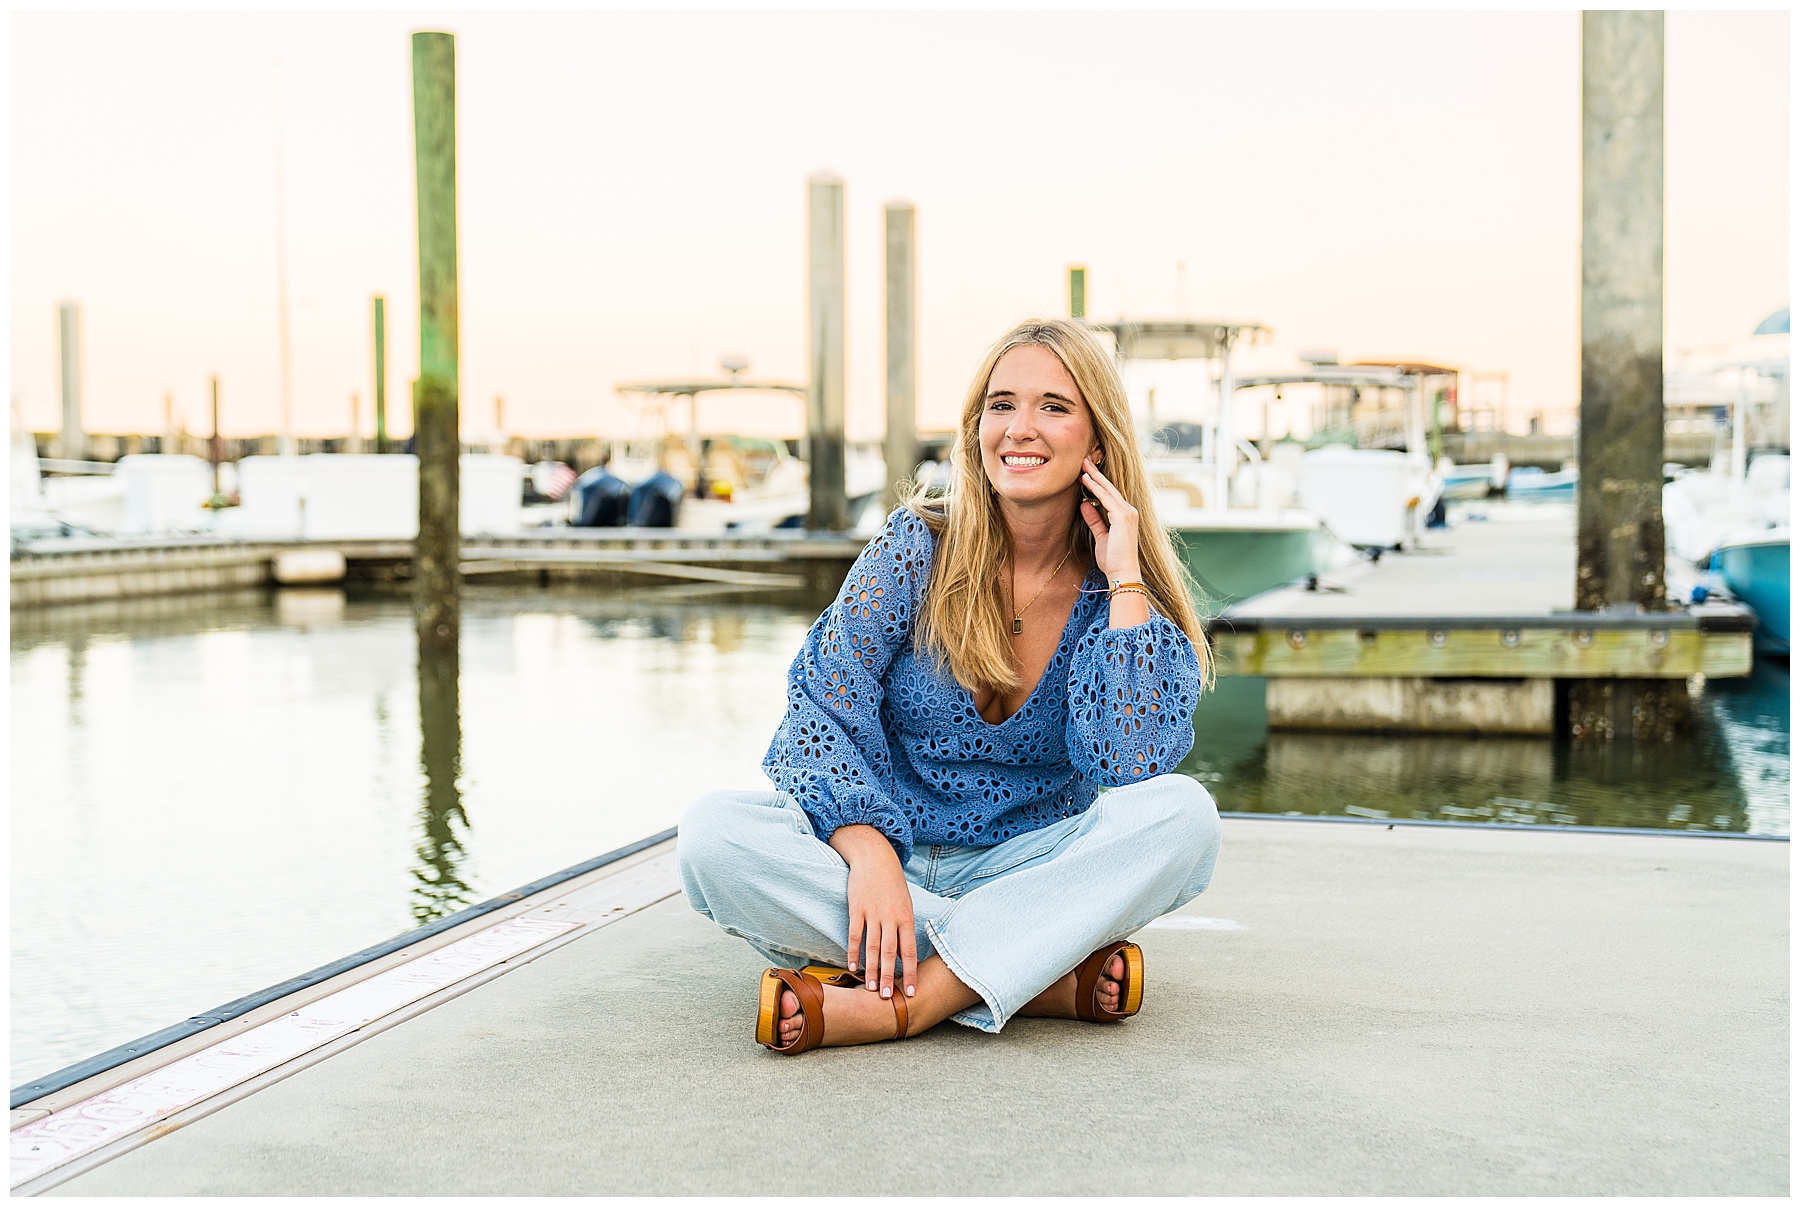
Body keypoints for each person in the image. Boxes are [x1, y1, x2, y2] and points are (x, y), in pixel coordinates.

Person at [678, 317, 1222, 1053]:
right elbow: (819, 707)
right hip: (885, 863)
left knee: (1184, 818)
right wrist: (868, 852)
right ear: (976, 429)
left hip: (1027, 867)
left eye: (1053, 407)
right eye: (1001, 405)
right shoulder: (915, 547)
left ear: (1098, 440)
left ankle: (915, 998)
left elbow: (1131, 765)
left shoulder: (1116, 594)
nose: (1019, 428)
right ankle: (1033, 970)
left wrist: (1124, 575)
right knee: (713, 836)